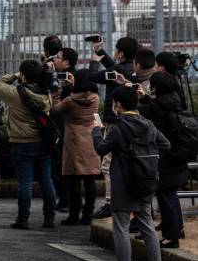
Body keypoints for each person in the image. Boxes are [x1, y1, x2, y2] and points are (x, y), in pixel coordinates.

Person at [92, 85, 168, 261]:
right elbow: (165, 144)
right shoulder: (148, 124)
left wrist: (96, 131)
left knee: (121, 226)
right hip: (146, 180)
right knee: (146, 224)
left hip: (124, 182)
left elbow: (101, 149)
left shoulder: (118, 128)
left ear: (117, 105)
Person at [0, 60, 56, 230]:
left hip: (22, 144)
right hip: (43, 142)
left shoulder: (16, 94)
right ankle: (50, 218)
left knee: (25, 183)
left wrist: (15, 75)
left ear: (24, 75)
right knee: (46, 181)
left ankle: (23, 219)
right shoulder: (46, 93)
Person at [89, 36, 138, 219]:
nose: (115, 53)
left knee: (107, 165)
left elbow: (93, 77)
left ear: (122, 53)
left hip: (113, 121)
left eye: (117, 50)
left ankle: (110, 203)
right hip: (132, 119)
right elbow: (114, 68)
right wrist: (101, 52)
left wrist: (94, 62)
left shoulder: (117, 69)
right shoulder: (133, 68)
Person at [139, 72, 187, 248]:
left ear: (156, 87)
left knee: (165, 195)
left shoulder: (157, 107)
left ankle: (171, 237)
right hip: (178, 152)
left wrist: (141, 98)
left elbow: (142, 113)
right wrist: (146, 98)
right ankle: (177, 229)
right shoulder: (176, 100)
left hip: (164, 157)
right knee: (171, 195)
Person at [52, 69, 101, 225]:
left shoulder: (69, 101)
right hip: (90, 140)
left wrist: (57, 94)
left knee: (73, 181)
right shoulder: (95, 98)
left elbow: (54, 110)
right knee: (89, 180)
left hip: (73, 141)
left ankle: (74, 216)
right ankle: (87, 215)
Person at [49, 47, 79, 212]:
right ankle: (67, 200)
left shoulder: (68, 82)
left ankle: (66, 199)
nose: (54, 59)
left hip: (64, 128)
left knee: (60, 165)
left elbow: (57, 106)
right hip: (68, 130)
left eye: (58, 57)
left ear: (66, 62)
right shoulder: (72, 77)